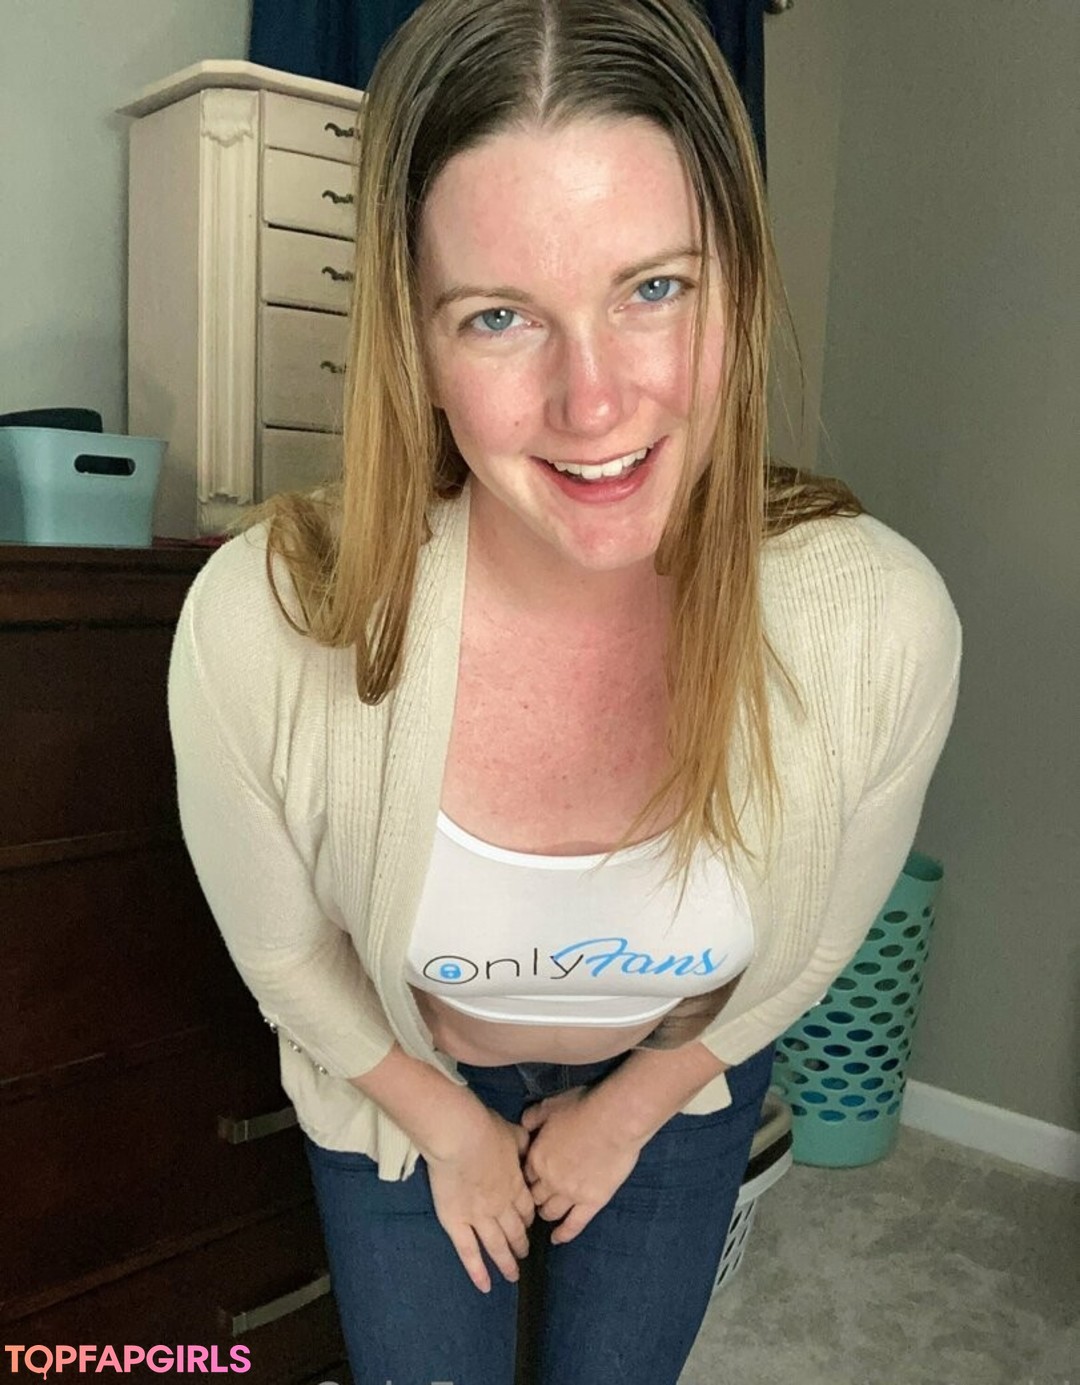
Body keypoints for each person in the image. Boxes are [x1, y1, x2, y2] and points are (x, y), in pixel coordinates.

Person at [167, 0, 963, 1381]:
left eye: (654, 288)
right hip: (401, 1077)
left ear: (740, 285)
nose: (593, 402)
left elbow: (814, 946)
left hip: (684, 1075)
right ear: (415, 345)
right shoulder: (266, 624)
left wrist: (639, 1101)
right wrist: (444, 1120)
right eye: (498, 316)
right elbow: (287, 956)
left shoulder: (879, 629)